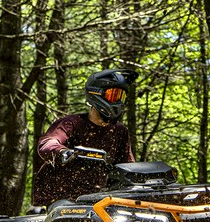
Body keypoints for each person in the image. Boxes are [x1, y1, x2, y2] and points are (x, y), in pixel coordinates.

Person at [31, 68, 138, 206]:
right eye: (113, 95)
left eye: (121, 96)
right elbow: (48, 143)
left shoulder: (119, 131)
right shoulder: (71, 124)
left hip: (97, 201)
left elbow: (128, 167)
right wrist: (63, 152)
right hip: (57, 200)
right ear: (96, 94)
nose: (117, 101)